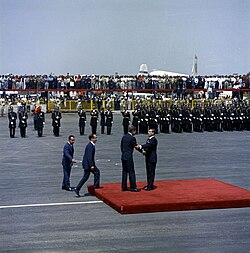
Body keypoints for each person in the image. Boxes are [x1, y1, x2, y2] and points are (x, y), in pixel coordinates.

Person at [120, 125, 140, 192]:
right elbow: (136, 146)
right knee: (131, 172)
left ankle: (124, 186)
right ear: (133, 131)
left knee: (124, 172)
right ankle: (133, 186)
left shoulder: (124, 137)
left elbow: (121, 147)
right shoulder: (132, 138)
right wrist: (142, 150)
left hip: (123, 156)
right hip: (129, 156)